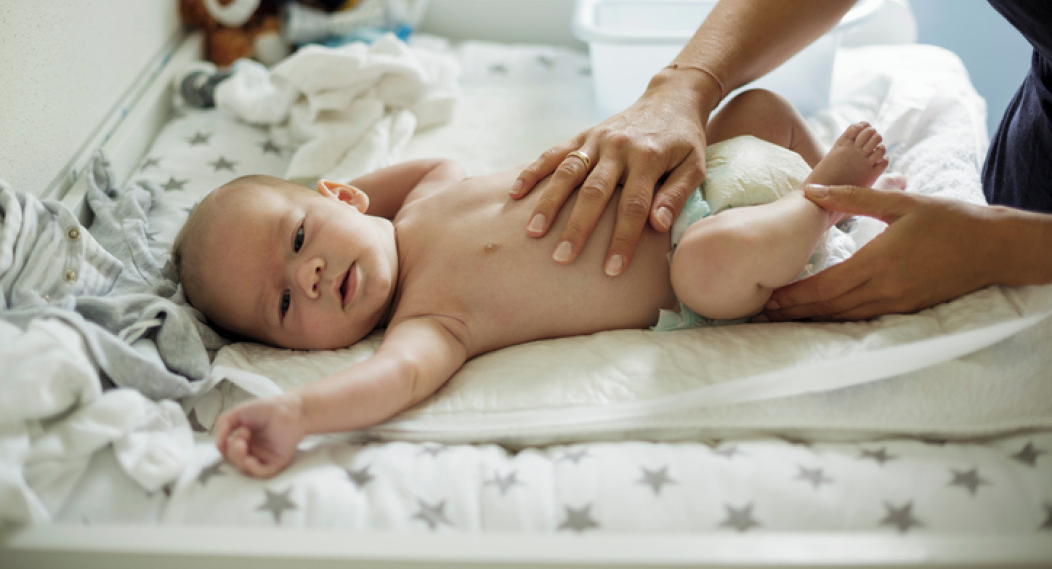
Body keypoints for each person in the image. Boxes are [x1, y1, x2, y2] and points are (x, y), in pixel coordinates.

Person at [174, 89, 892, 478]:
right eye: (283, 303)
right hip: (706, 250)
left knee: (750, 109)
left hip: (697, 173)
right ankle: (823, 199)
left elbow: (412, 170)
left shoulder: (430, 191)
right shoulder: (430, 321)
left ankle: (805, 166)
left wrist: (345, 201)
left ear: (344, 198)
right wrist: (298, 416)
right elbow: (390, 382)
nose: (310, 273)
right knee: (707, 273)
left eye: (300, 237)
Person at [509, 0, 1052, 322]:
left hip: (1009, 246)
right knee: (757, 110)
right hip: (1025, 183)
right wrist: (681, 87)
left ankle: (819, 201)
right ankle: (829, 200)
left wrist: (1001, 246)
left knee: (706, 266)